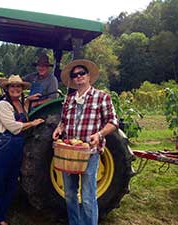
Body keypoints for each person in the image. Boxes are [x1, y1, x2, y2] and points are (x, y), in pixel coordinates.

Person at [52, 59, 118, 225]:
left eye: (82, 73)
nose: (78, 77)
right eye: (75, 75)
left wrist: (100, 135)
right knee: (69, 194)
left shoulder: (101, 97)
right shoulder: (69, 99)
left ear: (89, 76)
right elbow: (64, 121)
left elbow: (113, 122)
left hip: (89, 153)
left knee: (88, 197)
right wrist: (59, 128)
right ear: (72, 80)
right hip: (69, 152)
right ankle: (75, 222)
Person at [0, 75, 44, 225]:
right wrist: (32, 123)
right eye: (12, 86)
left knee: (10, 183)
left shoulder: (20, 103)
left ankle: (1, 217)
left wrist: (29, 101)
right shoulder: (3, 105)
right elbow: (13, 127)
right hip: (2, 145)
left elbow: (23, 115)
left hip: (16, 145)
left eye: (18, 87)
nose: (16, 89)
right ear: (7, 89)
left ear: (22, 89)